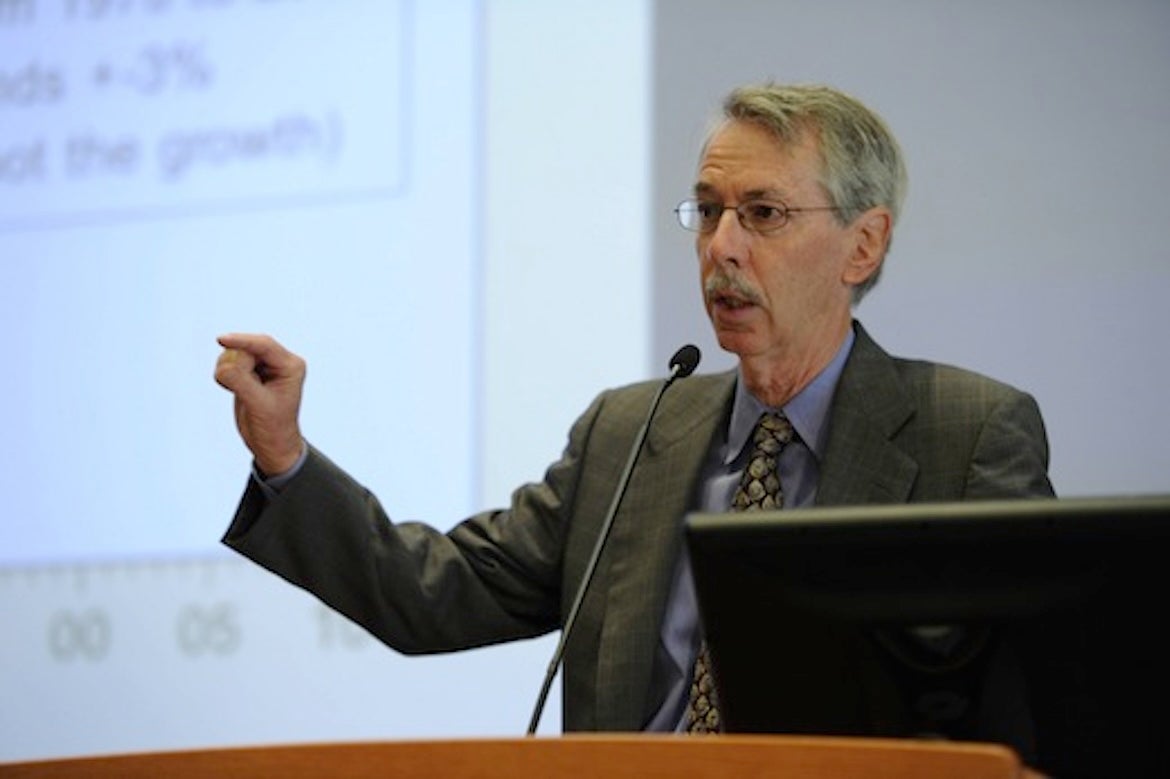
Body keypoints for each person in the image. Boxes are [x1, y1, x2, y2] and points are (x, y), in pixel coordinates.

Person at [214, 83, 1053, 737]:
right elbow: (433, 594)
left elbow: (1021, 707)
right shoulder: (630, 433)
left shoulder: (969, 434)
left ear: (863, 244)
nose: (721, 245)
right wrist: (285, 455)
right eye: (709, 211)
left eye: (762, 213)